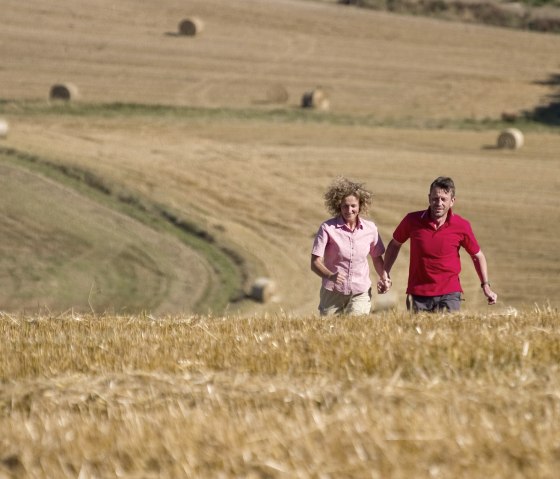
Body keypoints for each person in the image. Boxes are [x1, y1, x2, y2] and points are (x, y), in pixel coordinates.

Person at [383, 176, 498, 313]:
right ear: (429, 198)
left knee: (448, 333)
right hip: (418, 294)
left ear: (452, 201)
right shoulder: (412, 220)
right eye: (435, 198)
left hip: (449, 294)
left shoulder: (461, 225)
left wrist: (485, 285)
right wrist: (385, 273)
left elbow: (477, 255)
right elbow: (395, 244)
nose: (439, 203)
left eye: (444, 199)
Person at [311, 177, 391, 316]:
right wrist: (330, 276)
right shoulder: (327, 228)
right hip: (333, 292)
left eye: (353, 205)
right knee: (330, 332)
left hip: (360, 291)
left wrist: (384, 278)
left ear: (360, 205)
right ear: (338, 206)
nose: (349, 210)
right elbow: (315, 262)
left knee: (357, 327)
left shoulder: (370, 229)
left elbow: (377, 258)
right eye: (345, 206)